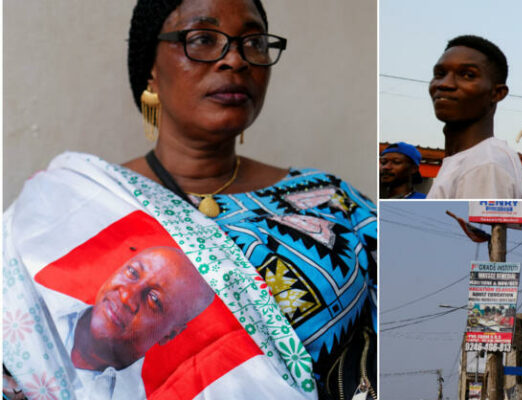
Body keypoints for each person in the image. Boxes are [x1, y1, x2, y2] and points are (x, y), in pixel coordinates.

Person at [4, 1, 377, 398]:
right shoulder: (64, 206)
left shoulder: (334, 203)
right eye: (202, 39)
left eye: (253, 43)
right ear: (151, 68)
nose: (235, 59)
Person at [58, 247, 213, 398]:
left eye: (154, 299)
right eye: (132, 272)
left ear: (169, 334)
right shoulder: (41, 301)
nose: (126, 296)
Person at [426, 35, 522, 199]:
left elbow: (482, 225)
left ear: (497, 93)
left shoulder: (484, 164)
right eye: (440, 74)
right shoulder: (470, 160)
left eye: (467, 75)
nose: (444, 84)